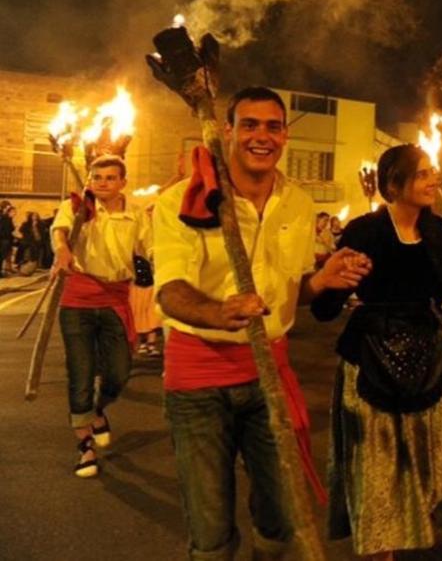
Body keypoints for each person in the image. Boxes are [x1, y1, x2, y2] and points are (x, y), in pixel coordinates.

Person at [154, 87, 369, 559]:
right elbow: (169, 291)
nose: (261, 136)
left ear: (285, 135)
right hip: (198, 379)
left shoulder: (298, 203)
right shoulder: (182, 201)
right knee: (210, 528)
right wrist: (218, 311)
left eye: (273, 126)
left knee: (279, 512)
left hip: (268, 372)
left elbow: (294, 293)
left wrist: (323, 281)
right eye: (249, 124)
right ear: (227, 131)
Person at [311, 143, 442, 559]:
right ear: (393, 184)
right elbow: (326, 308)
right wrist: (330, 281)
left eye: (432, 171)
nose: (433, 179)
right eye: (422, 174)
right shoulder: (365, 230)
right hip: (371, 362)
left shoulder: (437, 229)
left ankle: (398, 548)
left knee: (416, 471)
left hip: (426, 363)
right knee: (378, 474)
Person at [50, 155, 151, 478]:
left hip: (115, 298)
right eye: (97, 176)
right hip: (78, 297)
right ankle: (85, 447)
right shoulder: (78, 204)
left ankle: (97, 410)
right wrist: (62, 250)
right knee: (80, 373)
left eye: (110, 177)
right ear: (89, 178)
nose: (102, 182)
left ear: (123, 181)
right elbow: (60, 231)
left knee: (119, 372)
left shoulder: (136, 213)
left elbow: (150, 249)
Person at [0, 201, 14, 276]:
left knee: (3, 256)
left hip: (6, 239)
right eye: (8, 207)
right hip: (3, 239)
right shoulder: (3, 216)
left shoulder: (7, 217)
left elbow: (11, 228)